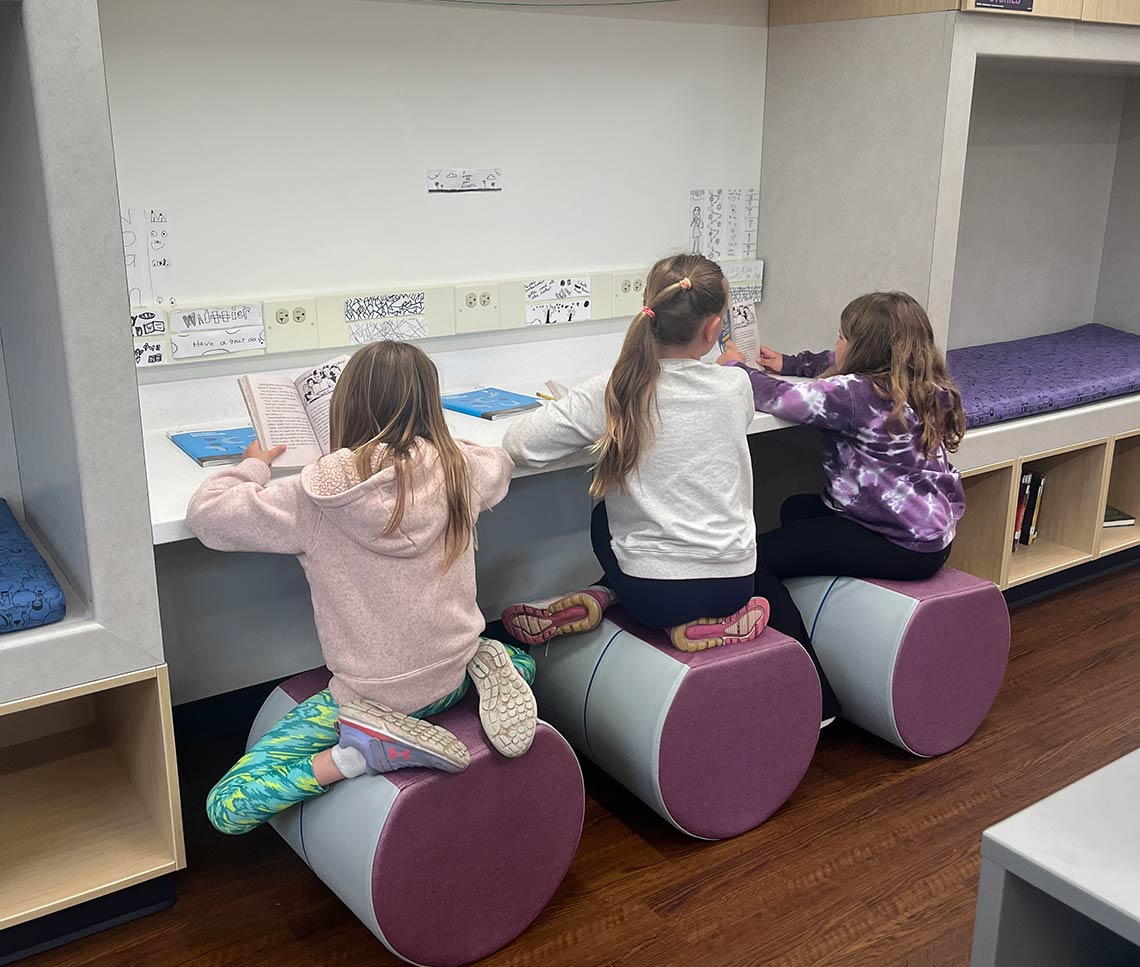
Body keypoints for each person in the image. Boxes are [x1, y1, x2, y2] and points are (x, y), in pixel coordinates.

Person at [188, 341, 537, 835]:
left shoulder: (312, 496)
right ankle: (490, 663)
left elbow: (207, 516)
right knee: (518, 657)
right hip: (452, 669)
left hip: (369, 697)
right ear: (429, 406)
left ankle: (358, 755)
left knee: (227, 806)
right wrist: (440, 441)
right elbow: (497, 460)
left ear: (342, 407)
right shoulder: (460, 470)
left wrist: (253, 465)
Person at [499, 253, 770, 655]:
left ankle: (603, 594)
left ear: (650, 311)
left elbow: (518, 445)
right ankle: (672, 615)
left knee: (603, 518)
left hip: (651, 595)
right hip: (734, 584)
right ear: (714, 329)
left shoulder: (615, 388)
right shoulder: (735, 386)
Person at [720, 289, 965, 609]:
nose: (836, 344)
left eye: (840, 337)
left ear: (861, 350)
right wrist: (791, 362)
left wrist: (737, 368)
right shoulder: (920, 382)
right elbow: (834, 361)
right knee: (795, 509)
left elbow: (780, 398)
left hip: (899, 544)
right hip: (930, 537)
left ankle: (799, 650)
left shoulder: (855, 394)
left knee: (754, 561)